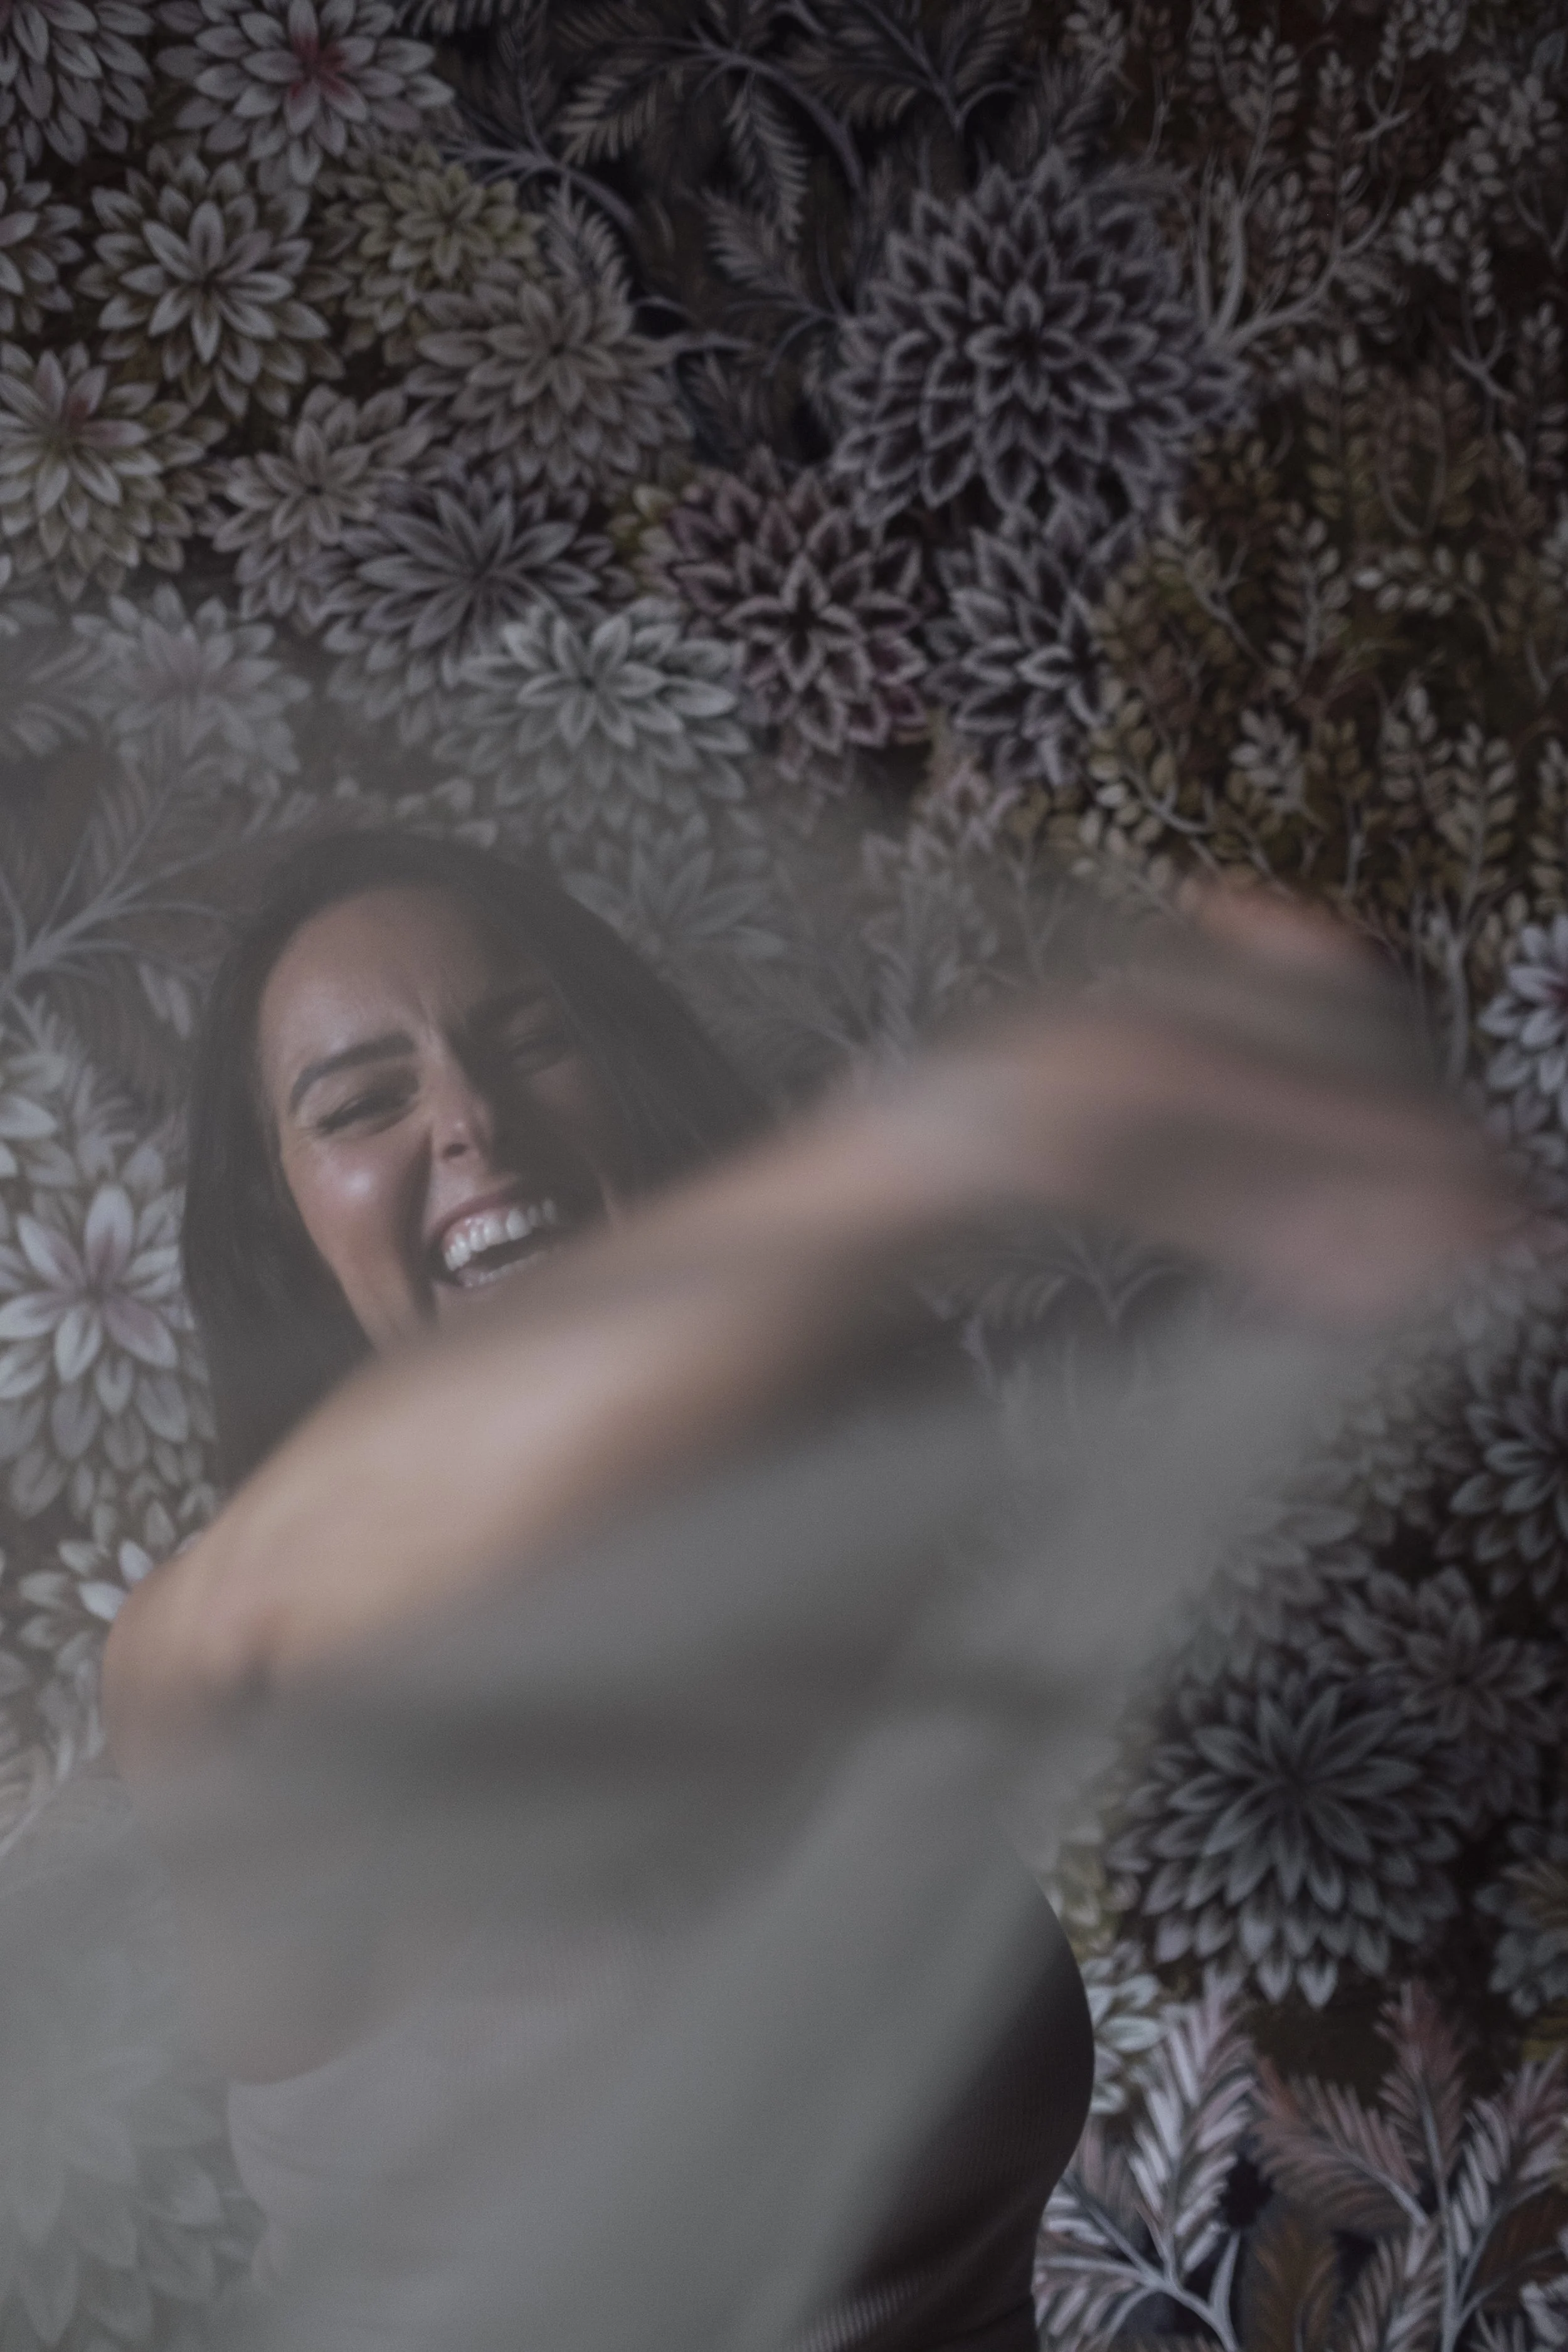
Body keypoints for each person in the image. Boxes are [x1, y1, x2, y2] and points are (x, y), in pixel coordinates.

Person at [99, 827, 1496, 2351]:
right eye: (364, 1101)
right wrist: (1000, 1130)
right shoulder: (224, 1659)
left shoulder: (824, 1581)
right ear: (285, 1233)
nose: (470, 1120)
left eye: (527, 1041)